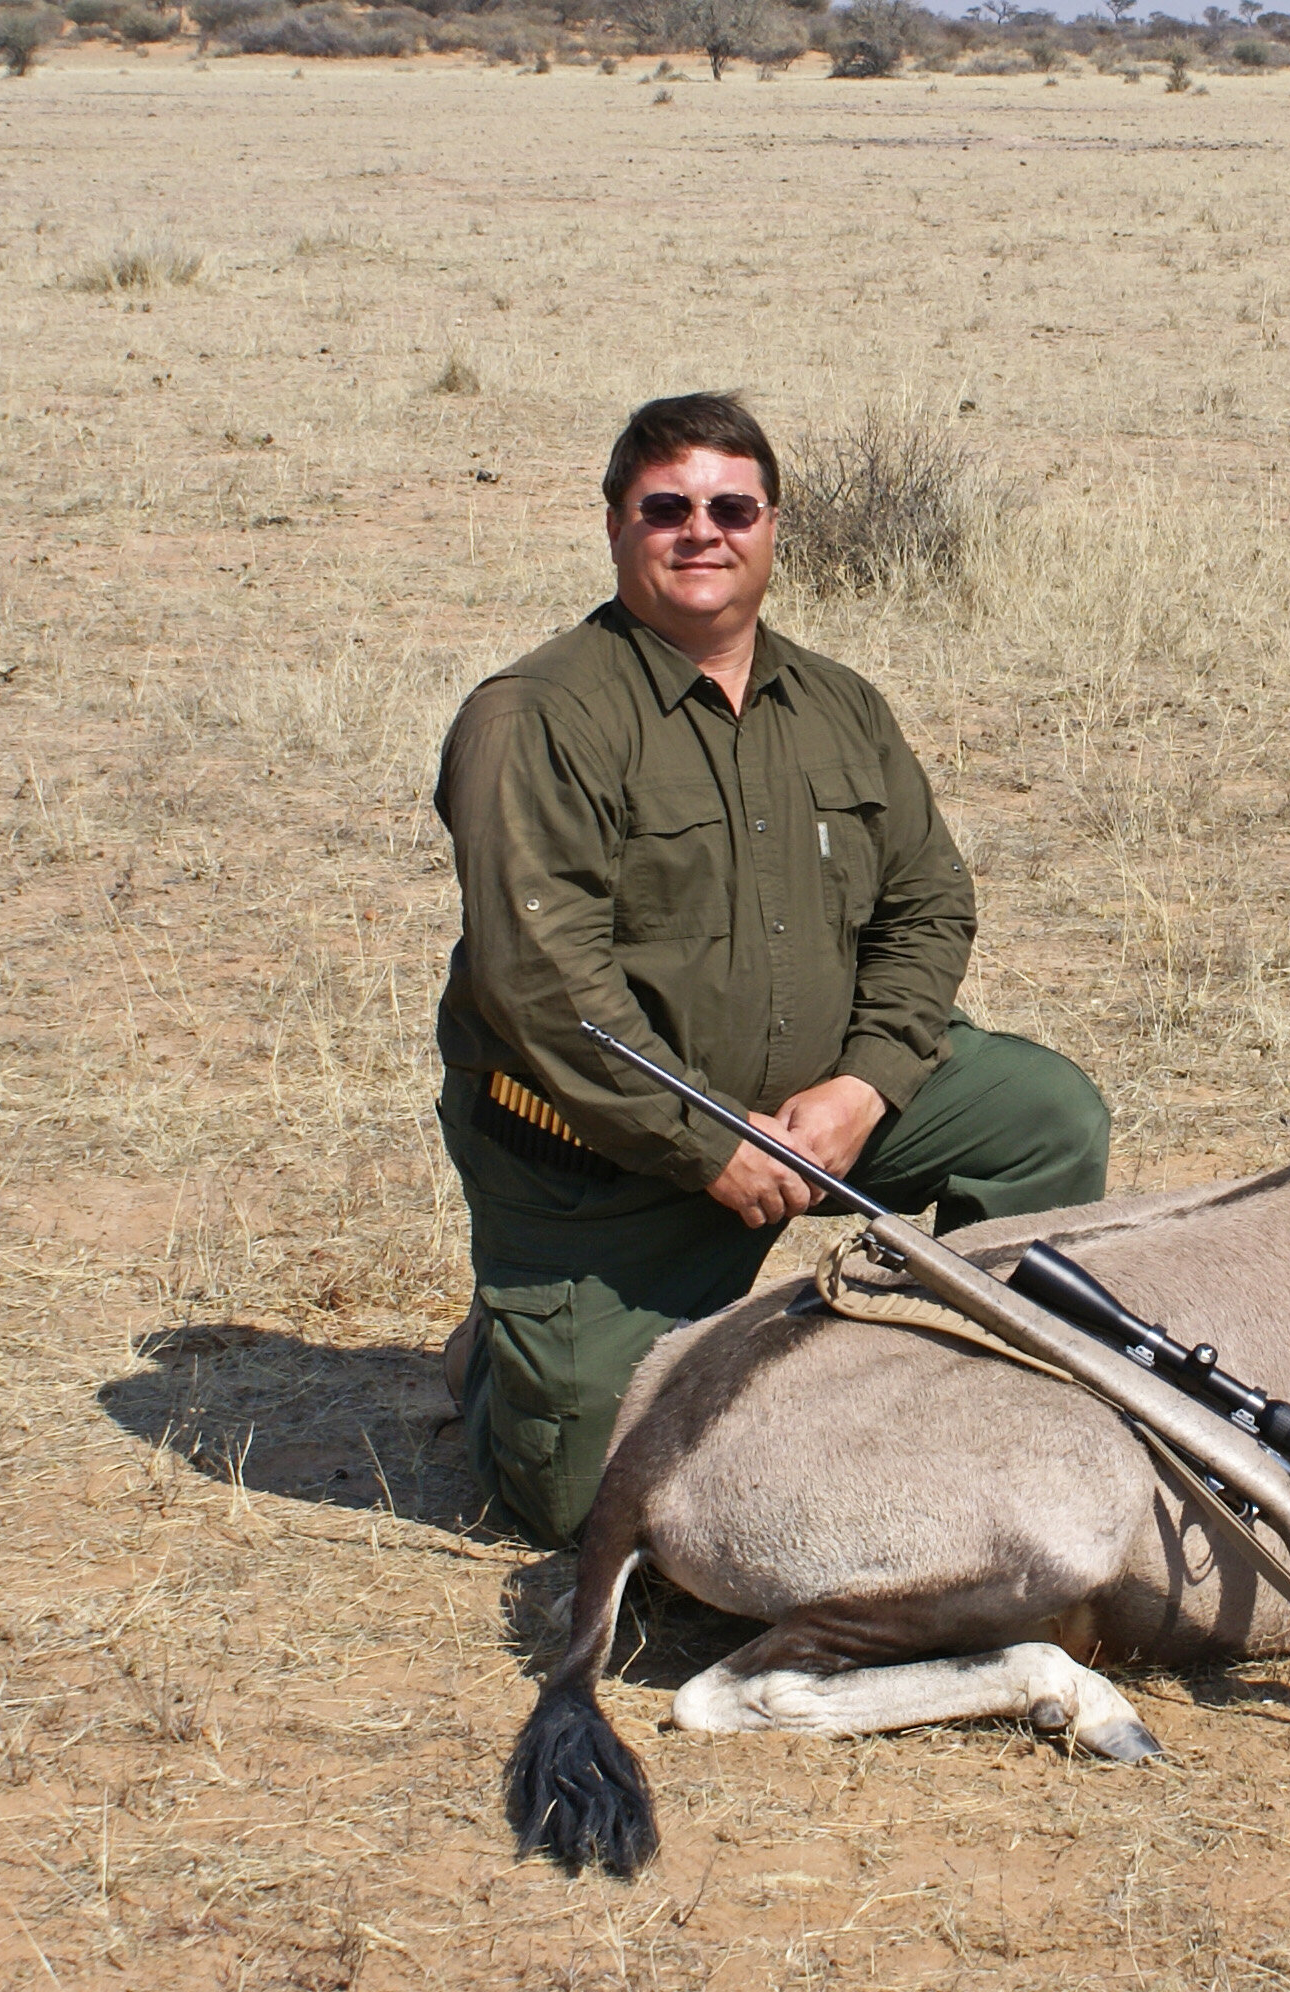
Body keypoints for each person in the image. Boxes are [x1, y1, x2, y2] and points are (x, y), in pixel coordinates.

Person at [433, 391, 1110, 1548]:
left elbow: (928, 903)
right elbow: (546, 990)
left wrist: (865, 1087)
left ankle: (947, 1387)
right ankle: (513, 1355)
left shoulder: (840, 706)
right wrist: (710, 1146)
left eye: (731, 506)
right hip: (611, 1162)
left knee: (1042, 1118)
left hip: (820, 1117)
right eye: (667, 507)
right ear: (615, 528)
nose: (703, 531)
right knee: (589, 1507)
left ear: (773, 527)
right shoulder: (535, 718)